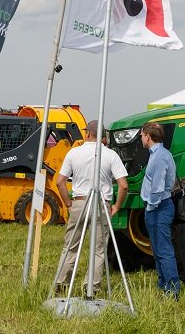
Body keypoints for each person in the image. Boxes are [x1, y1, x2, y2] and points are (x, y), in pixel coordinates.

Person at [52, 120, 129, 297]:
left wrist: (68, 203)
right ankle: (91, 288)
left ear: (87, 134)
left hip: (79, 202)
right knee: (98, 250)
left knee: (70, 246)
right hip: (101, 204)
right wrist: (117, 206)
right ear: (103, 137)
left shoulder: (74, 153)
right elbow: (123, 185)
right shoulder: (110, 155)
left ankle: (61, 283)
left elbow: (60, 182)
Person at [140, 121, 179, 299]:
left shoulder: (159, 157)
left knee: (163, 250)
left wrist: (151, 205)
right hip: (159, 206)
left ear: (148, 136)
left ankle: (171, 290)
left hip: (159, 207)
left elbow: (157, 186)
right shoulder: (160, 154)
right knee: (158, 249)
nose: (141, 138)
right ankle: (164, 285)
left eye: (141, 135)